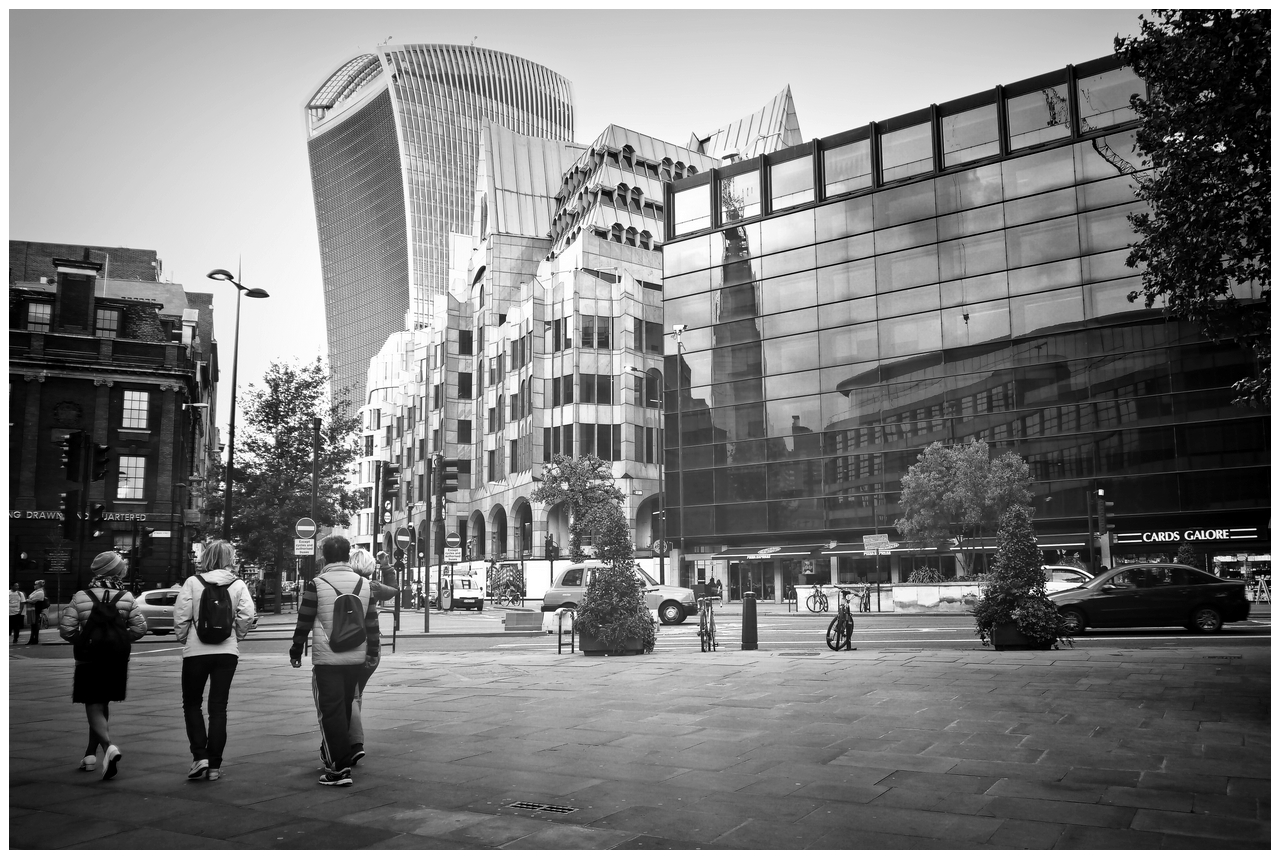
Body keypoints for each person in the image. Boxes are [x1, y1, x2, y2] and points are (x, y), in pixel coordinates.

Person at [289, 536, 380, 787]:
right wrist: (371, 652)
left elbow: (304, 621)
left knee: (330, 711)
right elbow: (372, 623)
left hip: (327, 660)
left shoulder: (317, 584)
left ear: (325, 556)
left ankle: (338, 769)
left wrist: (296, 650)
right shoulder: (364, 583)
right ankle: (344, 756)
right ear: (347, 555)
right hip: (356, 658)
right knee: (345, 707)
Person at [173, 540, 256, 782]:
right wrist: (236, 636)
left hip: (196, 652)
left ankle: (200, 756)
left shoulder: (192, 583)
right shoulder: (238, 584)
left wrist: (185, 639)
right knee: (218, 707)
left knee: (192, 704)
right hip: (226, 651)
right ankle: (215, 767)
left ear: (207, 557)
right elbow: (247, 615)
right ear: (229, 559)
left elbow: (181, 617)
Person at [58, 553, 146, 779]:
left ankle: (108, 747)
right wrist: (119, 639)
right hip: (116, 659)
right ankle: (90, 755)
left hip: (89, 659)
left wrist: (84, 641)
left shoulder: (81, 596)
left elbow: (66, 630)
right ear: (117, 571)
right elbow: (139, 628)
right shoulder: (126, 597)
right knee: (102, 703)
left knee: (93, 703)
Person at [346, 548, 397, 767]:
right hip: (371, 647)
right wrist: (386, 566)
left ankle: (354, 743)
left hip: (347, 645)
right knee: (356, 694)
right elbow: (393, 590)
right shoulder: (372, 587)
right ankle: (351, 740)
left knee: (350, 695)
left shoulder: (344, 583)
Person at [25, 580, 48, 645]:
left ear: (39, 585)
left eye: (36, 584)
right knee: (33, 625)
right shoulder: (36, 591)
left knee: (35, 625)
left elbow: (33, 601)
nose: (34, 585)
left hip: (36, 610)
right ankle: (32, 639)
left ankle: (35, 639)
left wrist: (26, 600)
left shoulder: (40, 592)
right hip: (32, 610)